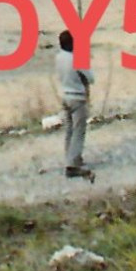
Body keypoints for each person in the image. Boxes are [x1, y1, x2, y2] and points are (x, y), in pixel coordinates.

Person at [56, 29, 94, 180]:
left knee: (69, 130)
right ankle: (73, 164)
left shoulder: (59, 58)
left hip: (65, 96)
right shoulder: (77, 59)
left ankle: (70, 158)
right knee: (79, 131)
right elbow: (90, 78)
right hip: (78, 96)